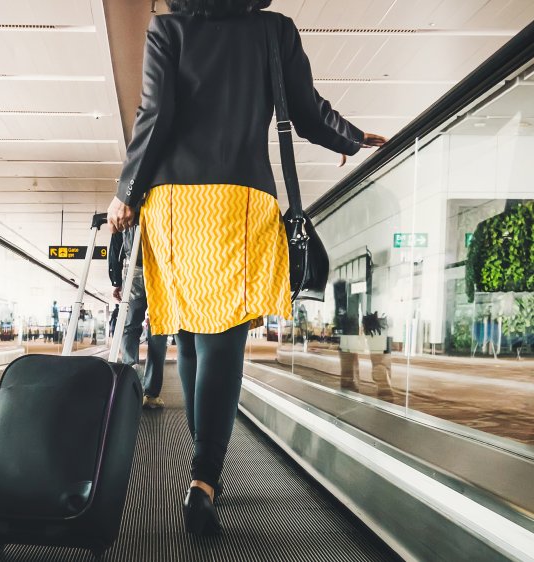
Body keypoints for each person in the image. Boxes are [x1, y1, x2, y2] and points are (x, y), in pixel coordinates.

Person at [106, 0, 386, 536]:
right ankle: (204, 478)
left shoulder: (167, 28)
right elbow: (306, 109)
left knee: (189, 331)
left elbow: (155, 114)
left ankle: (200, 456)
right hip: (240, 200)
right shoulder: (273, 30)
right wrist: (348, 136)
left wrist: (127, 192)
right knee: (224, 339)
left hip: (175, 206)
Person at [108, 227, 167, 408]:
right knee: (159, 328)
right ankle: (151, 394)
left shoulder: (128, 204)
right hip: (162, 269)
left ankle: (131, 385)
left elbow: (115, 245)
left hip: (135, 269)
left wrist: (116, 280)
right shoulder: (164, 201)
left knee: (130, 327)